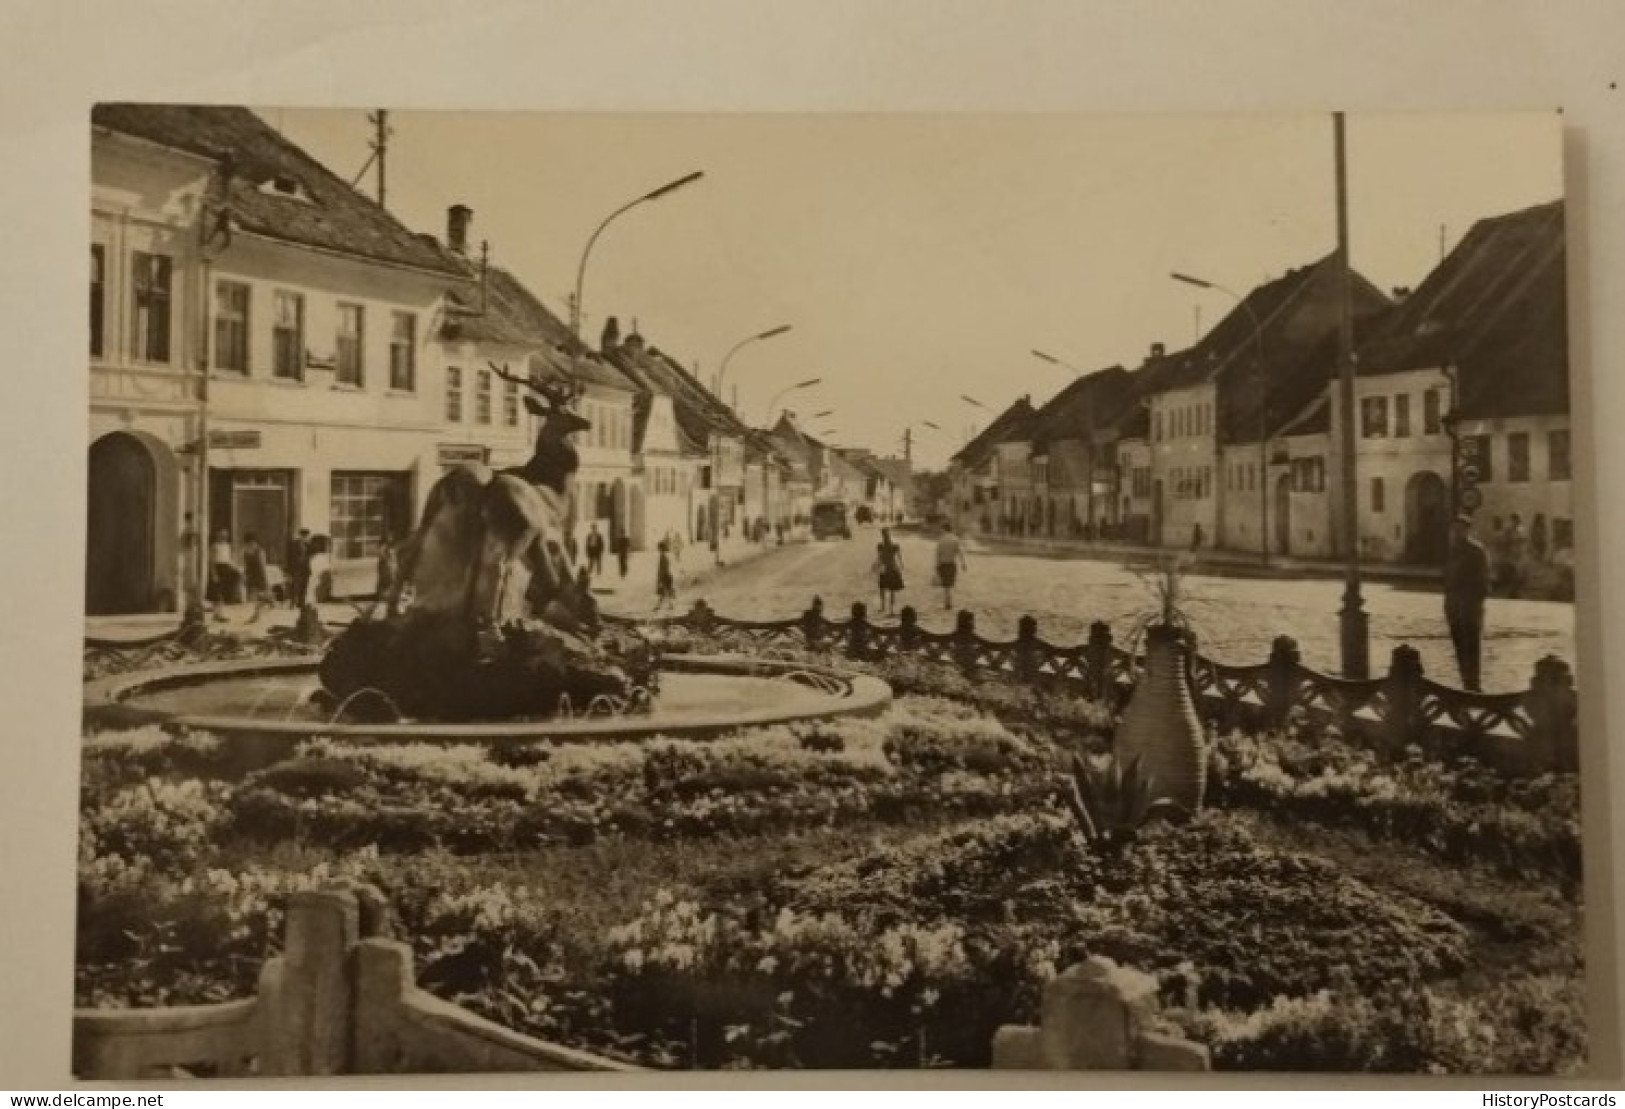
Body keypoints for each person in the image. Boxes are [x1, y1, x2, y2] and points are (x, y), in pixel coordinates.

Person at [1443, 513, 1491, 692]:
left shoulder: (1476, 551)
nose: (1456, 532)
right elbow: (1447, 578)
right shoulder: (1451, 550)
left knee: (1471, 645)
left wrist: (1474, 603)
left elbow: (1484, 582)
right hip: (1453, 606)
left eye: (1460, 529)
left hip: (1470, 606)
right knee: (1459, 645)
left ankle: (1474, 685)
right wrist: (1448, 601)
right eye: (1453, 529)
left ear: (1467, 530)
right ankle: (1466, 683)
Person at [933, 521, 968, 610]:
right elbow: (960, 553)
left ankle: (947, 602)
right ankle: (948, 601)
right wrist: (963, 563)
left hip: (943, 565)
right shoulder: (955, 539)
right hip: (952, 564)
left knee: (946, 585)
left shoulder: (941, 540)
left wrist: (936, 566)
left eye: (942, 529)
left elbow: (938, 554)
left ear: (944, 529)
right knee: (949, 584)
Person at [875, 527, 905, 616]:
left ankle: (883, 607)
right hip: (892, 568)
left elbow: (879, 558)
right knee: (892, 590)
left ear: (882, 535)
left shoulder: (880, 546)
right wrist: (901, 565)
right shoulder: (894, 545)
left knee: (882, 588)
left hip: (885, 569)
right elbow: (899, 558)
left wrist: (876, 566)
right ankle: (891, 610)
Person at [208, 529, 240, 614]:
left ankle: (221, 612)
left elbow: (229, 560)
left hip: (226, 569)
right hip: (218, 569)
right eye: (221, 535)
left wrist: (235, 567)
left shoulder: (228, 546)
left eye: (225, 535)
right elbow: (212, 561)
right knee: (216, 593)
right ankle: (217, 613)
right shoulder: (214, 546)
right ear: (217, 536)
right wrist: (214, 574)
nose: (223, 537)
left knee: (224, 591)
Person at [241, 532, 271, 614]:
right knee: (253, 597)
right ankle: (255, 613)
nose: (250, 544)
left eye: (251, 542)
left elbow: (262, 566)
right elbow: (246, 566)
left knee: (261, 595)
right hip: (251, 576)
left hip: (259, 575)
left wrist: (265, 580)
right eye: (248, 543)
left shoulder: (260, 551)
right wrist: (245, 575)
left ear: (255, 542)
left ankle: (258, 611)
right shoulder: (246, 552)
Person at [285, 528, 312, 610]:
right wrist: (288, 570)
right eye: (304, 536)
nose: (305, 538)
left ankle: (301, 603)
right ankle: (292, 603)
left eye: (307, 536)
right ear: (300, 536)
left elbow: (310, 556)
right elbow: (289, 557)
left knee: (304, 586)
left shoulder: (308, 545)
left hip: (305, 569)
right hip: (295, 568)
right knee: (295, 586)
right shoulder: (294, 544)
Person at [375, 535, 399, 616]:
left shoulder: (391, 551)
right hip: (386, 567)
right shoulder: (384, 550)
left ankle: (386, 594)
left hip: (389, 567)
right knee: (385, 579)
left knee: (390, 578)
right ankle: (384, 594)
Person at [654, 539, 677, 612]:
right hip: (666, 576)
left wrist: (660, 578)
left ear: (662, 549)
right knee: (665, 592)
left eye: (660, 548)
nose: (659, 550)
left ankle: (660, 606)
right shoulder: (663, 557)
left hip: (665, 576)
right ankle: (669, 605)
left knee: (664, 592)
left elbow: (663, 569)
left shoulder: (663, 557)